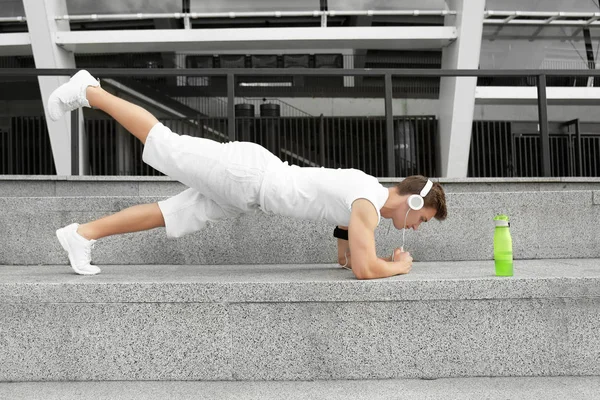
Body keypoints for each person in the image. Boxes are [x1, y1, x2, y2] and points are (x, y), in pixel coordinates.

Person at [49, 70, 447, 280]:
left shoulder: (366, 197)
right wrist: (399, 265)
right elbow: (364, 269)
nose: (417, 228)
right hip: (247, 176)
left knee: (168, 215)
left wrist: (354, 251)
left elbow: (347, 252)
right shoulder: (368, 205)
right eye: (422, 220)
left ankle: (81, 236)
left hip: (247, 192)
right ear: (413, 201)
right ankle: (89, 91)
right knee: (165, 143)